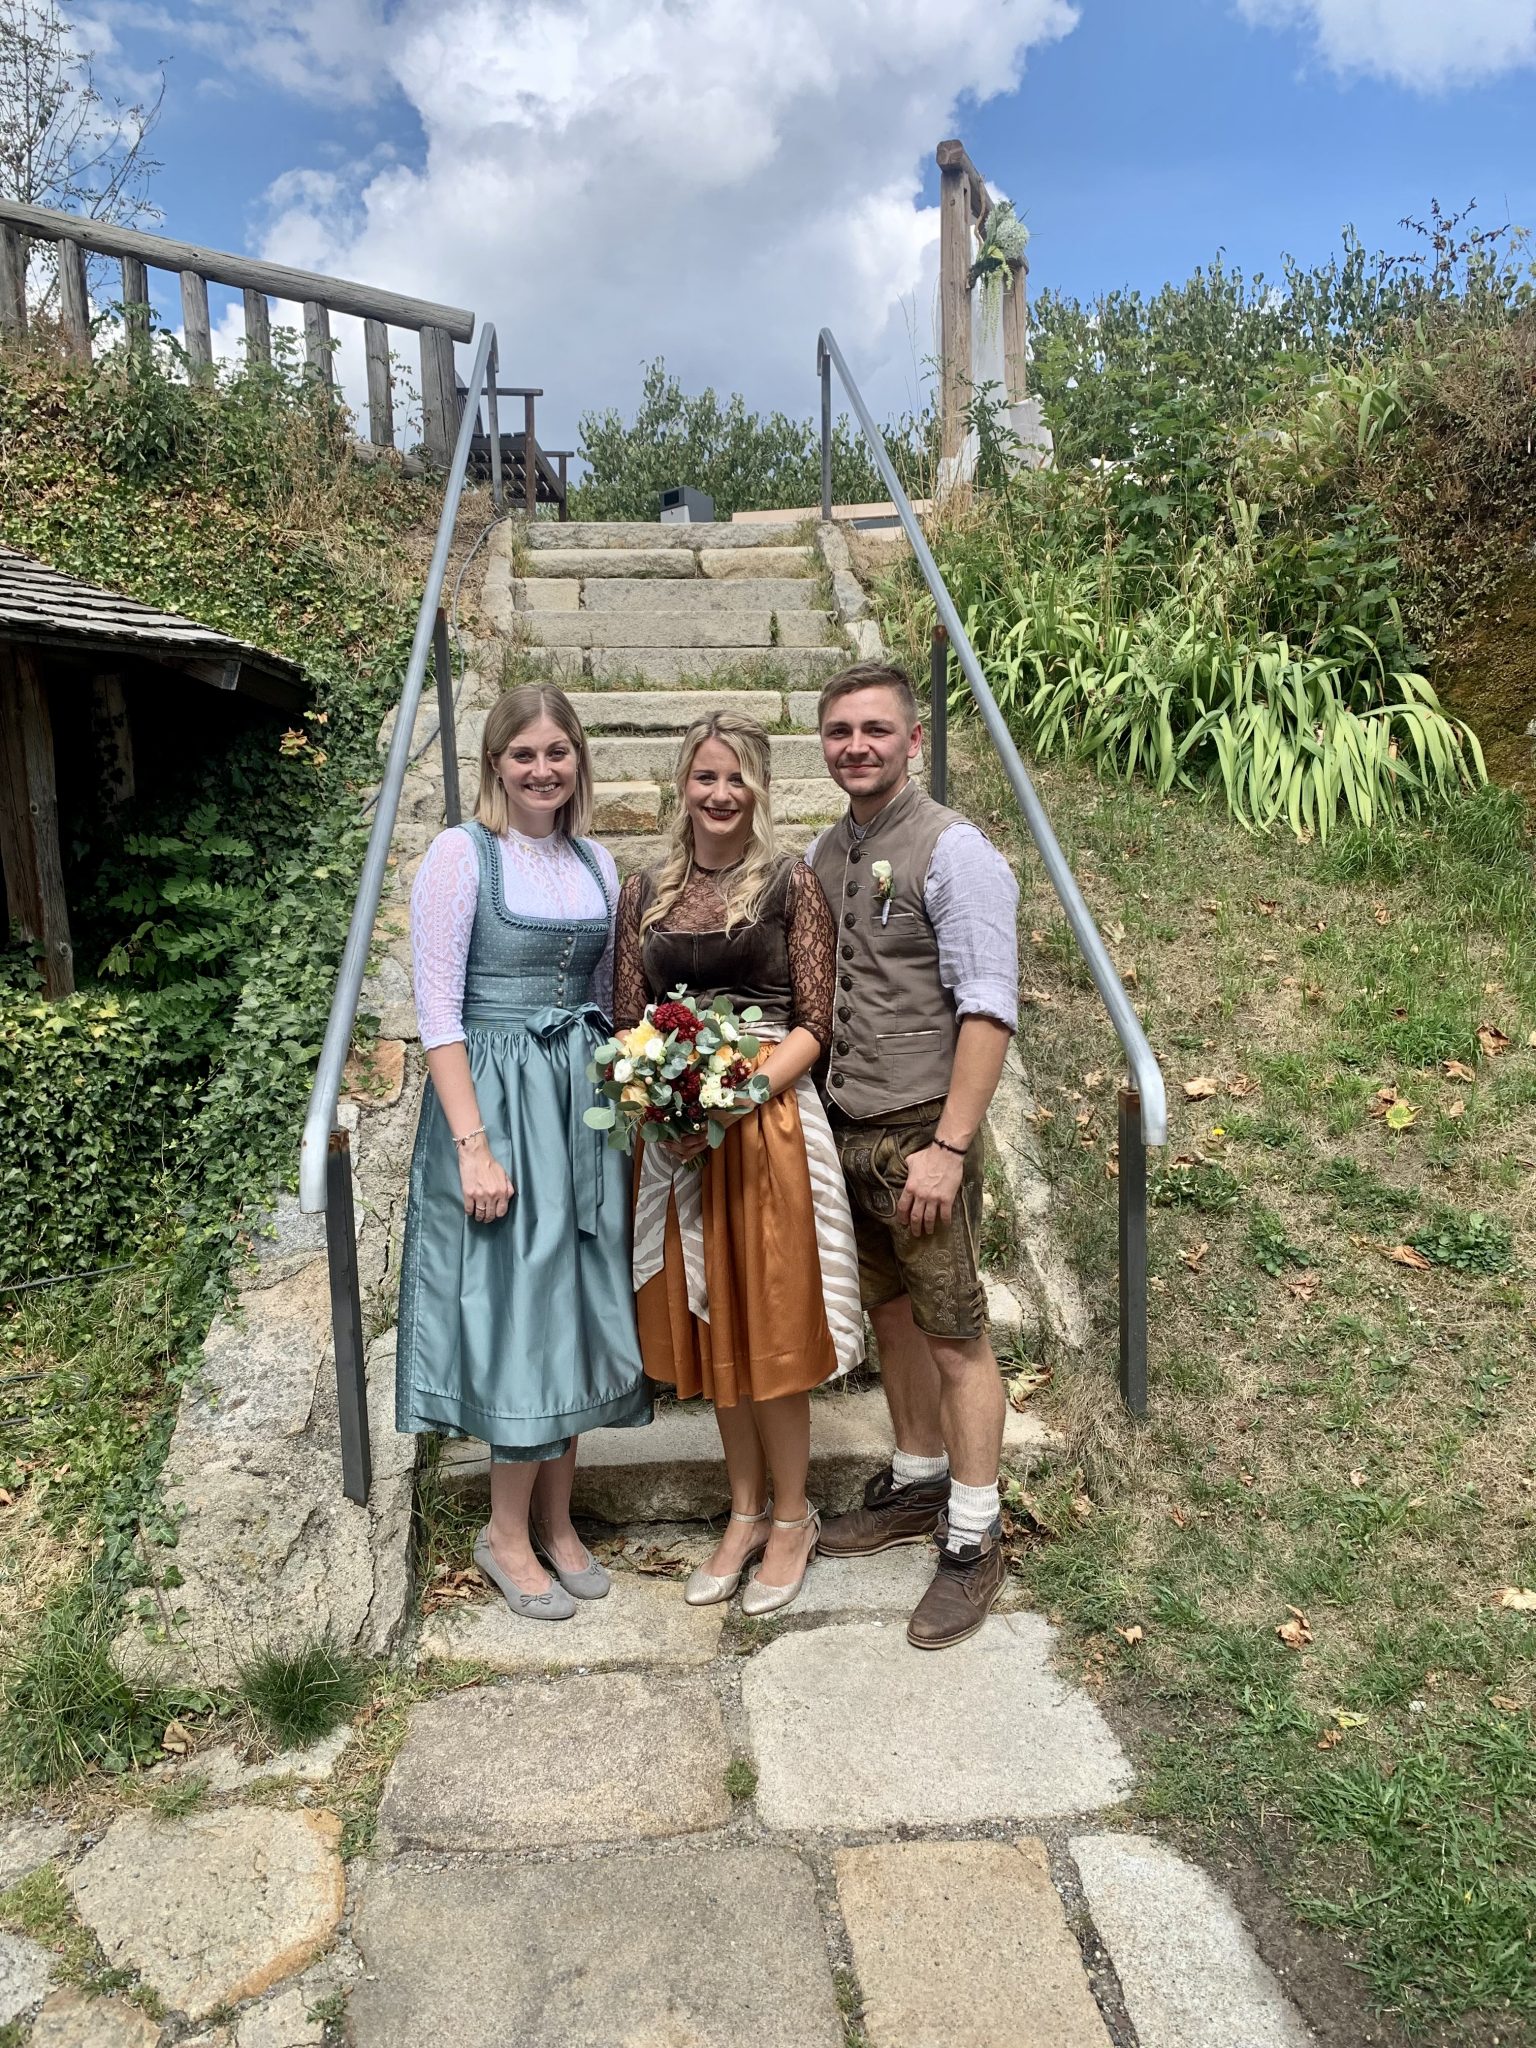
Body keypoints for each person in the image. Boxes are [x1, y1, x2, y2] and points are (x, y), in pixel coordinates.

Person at [396, 682, 651, 1623]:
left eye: (558, 752)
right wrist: (473, 1146)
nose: (543, 770)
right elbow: (438, 1014)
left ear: (578, 759)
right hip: (498, 1103)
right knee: (522, 1313)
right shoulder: (460, 856)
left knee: (579, 1302)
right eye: (524, 755)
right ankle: (503, 1535)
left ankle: (557, 1518)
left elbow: (608, 995)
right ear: (495, 764)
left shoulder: (596, 860)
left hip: (579, 1103)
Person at [613, 711, 862, 1616]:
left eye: (737, 779)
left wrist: (735, 1097)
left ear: (759, 788)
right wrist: (664, 1109)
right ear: (681, 784)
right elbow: (627, 1021)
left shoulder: (791, 884)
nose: (720, 794)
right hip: (679, 1136)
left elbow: (814, 1023)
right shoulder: (643, 891)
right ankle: (746, 1511)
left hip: (765, 1127)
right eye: (705, 777)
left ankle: (795, 1516)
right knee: (712, 1323)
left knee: (770, 1323)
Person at [809, 660, 1021, 1651]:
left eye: (876, 729)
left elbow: (988, 1008)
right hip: (850, 1128)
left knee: (954, 1332)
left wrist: (950, 1146)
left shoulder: (955, 850)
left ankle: (974, 1535)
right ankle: (919, 1479)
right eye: (840, 731)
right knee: (891, 1313)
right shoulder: (827, 850)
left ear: (913, 740)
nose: (857, 745)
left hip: (923, 1134)